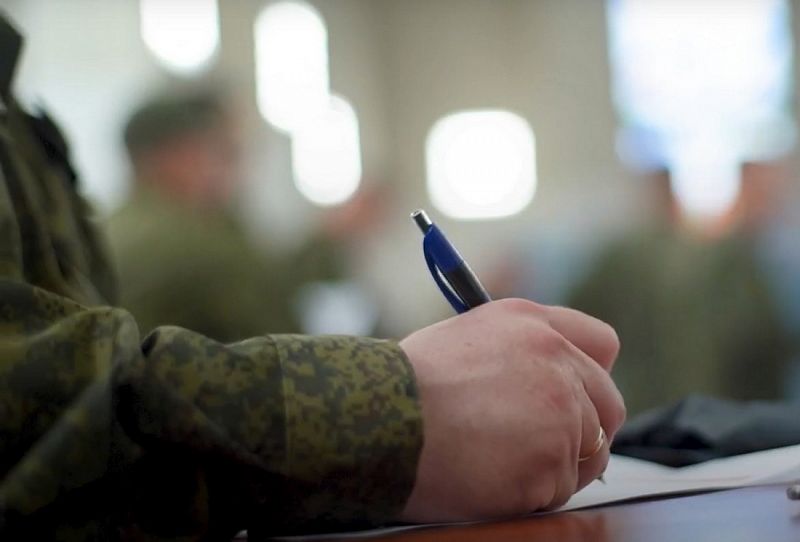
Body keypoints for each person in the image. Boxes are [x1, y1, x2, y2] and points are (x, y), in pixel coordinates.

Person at [0, 13, 624, 540]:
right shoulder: (192, 242)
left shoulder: (137, 221)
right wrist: (409, 404)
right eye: (228, 153)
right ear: (180, 155)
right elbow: (275, 329)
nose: (238, 170)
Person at [567, 171, 790, 417]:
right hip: (712, 413)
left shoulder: (624, 256)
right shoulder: (732, 260)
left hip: (652, 411)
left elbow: (575, 320)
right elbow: (764, 339)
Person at [107, 90, 302, 341]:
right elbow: (279, 337)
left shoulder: (111, 225)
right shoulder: (192, 238)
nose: (216, 169)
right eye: (212, 153)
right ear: (174, 156)